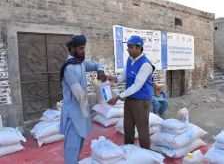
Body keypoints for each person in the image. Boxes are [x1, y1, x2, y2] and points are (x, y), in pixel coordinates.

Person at [59, 35, 107, 164]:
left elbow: (97, 64)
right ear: (72, 49)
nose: (83, 51)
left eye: (84, 48)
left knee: (79, 143)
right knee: (71, 147)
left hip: (82, 112)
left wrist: (100, 71)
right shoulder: (68, 68)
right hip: (74, 114)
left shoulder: (81, 63)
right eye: (80, 48)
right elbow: (79, 94)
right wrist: (88, 111)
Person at [107, 35, 155, 149]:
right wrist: (116, 79)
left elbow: (137, 86)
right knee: (128, 126)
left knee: (142, 128)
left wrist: (119, 96)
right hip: (130, 98)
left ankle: (146, 153)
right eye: (127, 46)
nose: (128, 49)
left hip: (141, 100)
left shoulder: (145, 64)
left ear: (139, 48)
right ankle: (129, 150)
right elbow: (125, 75)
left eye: (131, 47)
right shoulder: (129, 60)